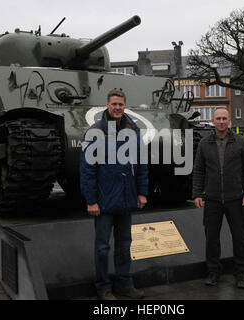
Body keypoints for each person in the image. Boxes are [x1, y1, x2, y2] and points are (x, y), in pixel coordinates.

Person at [80, 90, 149, 300]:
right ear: (107, 106)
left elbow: (141, 164)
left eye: (120, 104)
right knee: (102, 247)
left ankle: (125, 285)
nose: (117, 108)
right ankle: (103, 288)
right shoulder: (96, 132)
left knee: (125, 245)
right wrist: (91, 200)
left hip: (127, 198)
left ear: (125, 106)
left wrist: (142, 193)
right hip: (104, 200)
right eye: (114, 104)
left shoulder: (133, 130)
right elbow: (87, 170)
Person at [192, 107, 244, 289]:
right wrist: (197, 194)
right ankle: (213, 272)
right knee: (211, 238)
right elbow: (199, 171)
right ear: (213, 121)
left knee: (240, 238)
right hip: (212, 199)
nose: (221, 121)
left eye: (224, 118)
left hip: (236, 198)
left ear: (229, 121)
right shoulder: (204, 143)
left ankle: (241, 274)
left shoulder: (241, 142)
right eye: (218, 118)